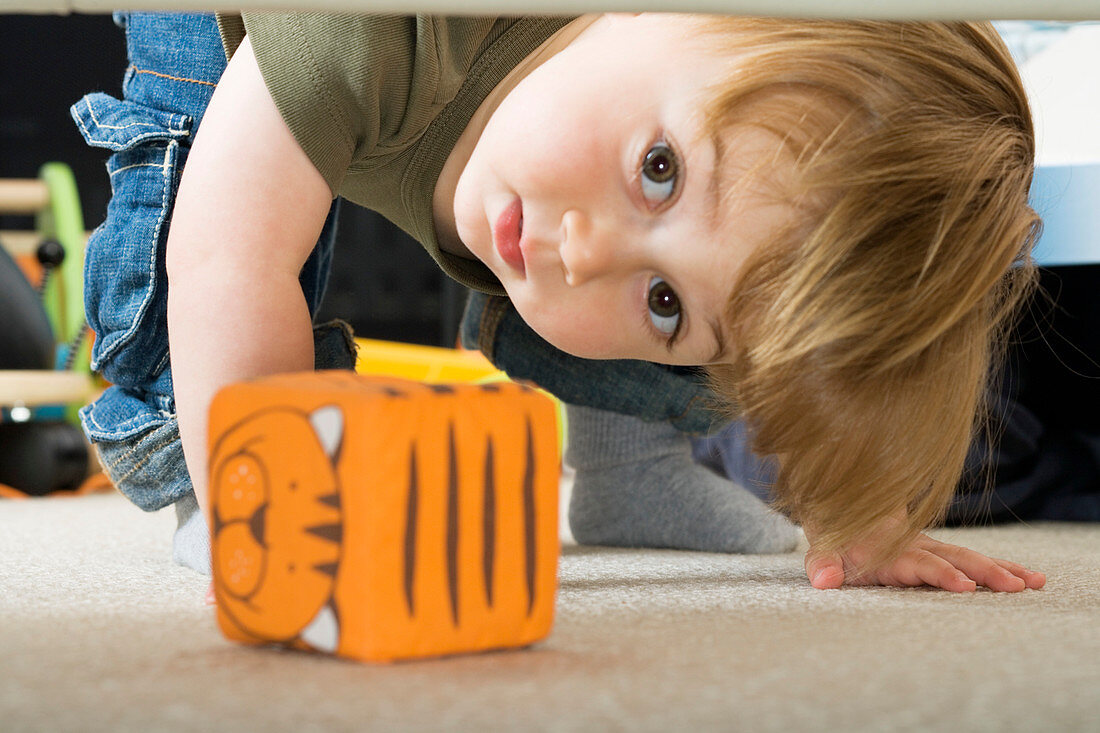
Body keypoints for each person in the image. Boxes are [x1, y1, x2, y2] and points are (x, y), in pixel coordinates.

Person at [77, 11, 1046, 594]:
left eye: (666, 297)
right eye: (657, 170)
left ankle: (630, 467)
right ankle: (195, 477)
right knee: (192, 196)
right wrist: (266, 505)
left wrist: (857, 513)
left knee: (686, 300)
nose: (583, 253)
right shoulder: (369, 29)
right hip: (225, 23)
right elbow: (225, 254)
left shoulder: (640, 108)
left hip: (443, 95)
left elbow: (789, 347)